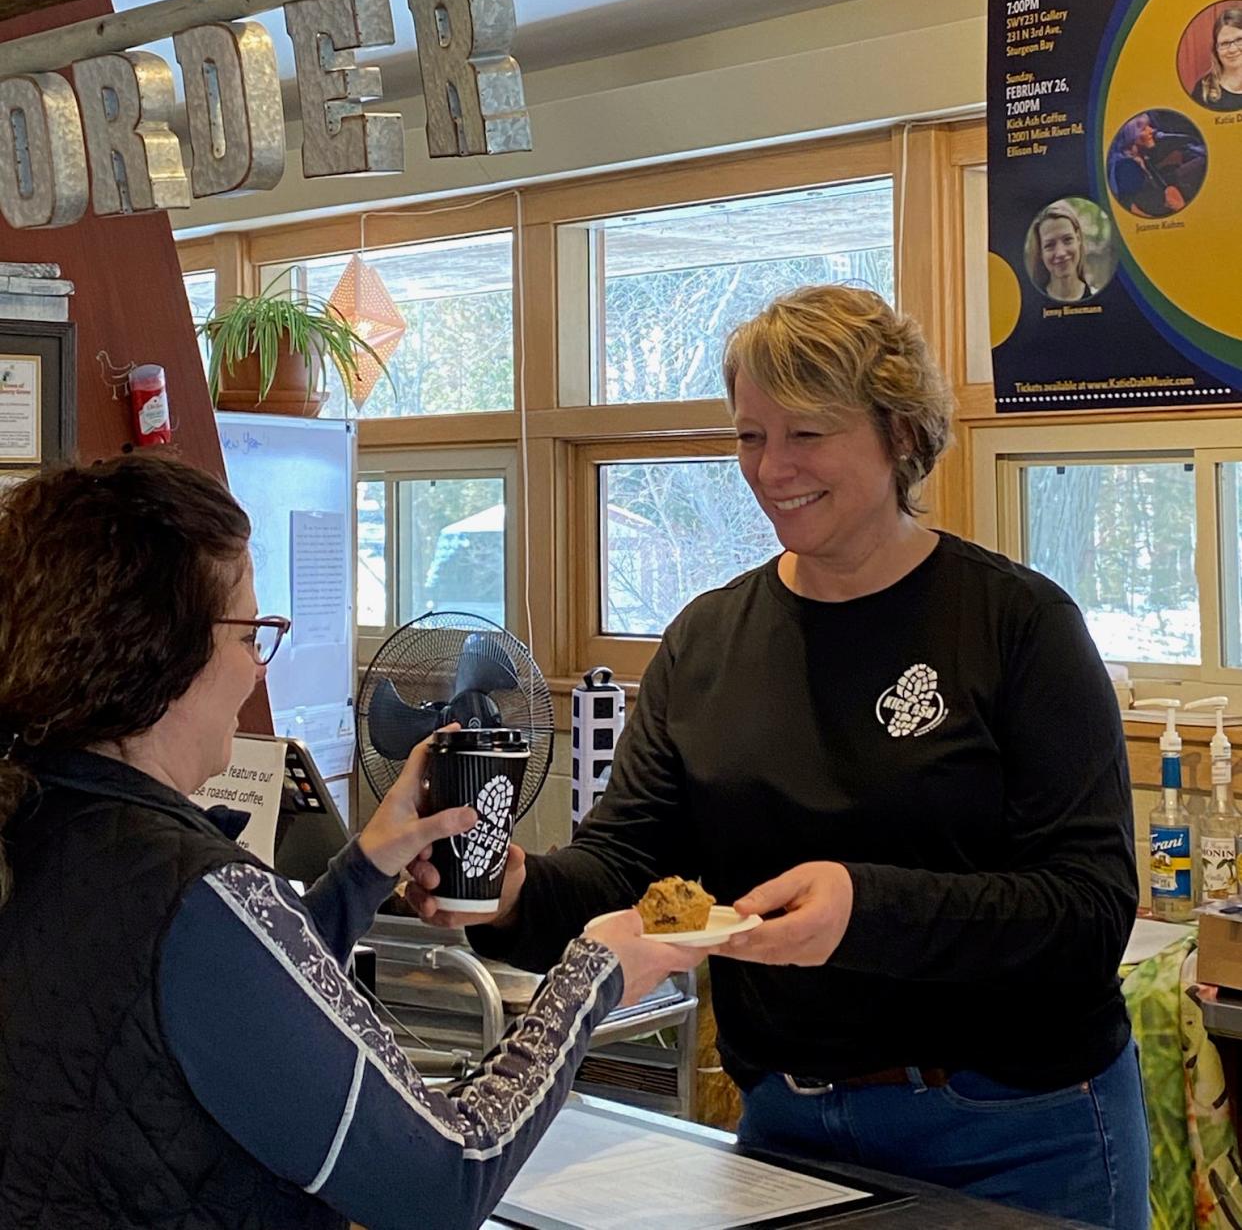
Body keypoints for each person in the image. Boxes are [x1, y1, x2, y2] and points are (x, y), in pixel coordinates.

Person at [412, 285, 1148, 1229]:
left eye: (807, 433)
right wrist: (513, 892)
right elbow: (628, 867)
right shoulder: (709, 641)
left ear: (900, 434)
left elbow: (1087, 911)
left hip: (1016, 1132)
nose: (770, 468)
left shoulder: (1017, 627)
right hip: (788, 1123)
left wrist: (864, 910)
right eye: (751, 436)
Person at [0, 455, 697, 1230]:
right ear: (165, 651)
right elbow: (444, 1181)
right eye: (251, 635)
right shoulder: (195, 896)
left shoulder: (38, 817)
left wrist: (366, 869)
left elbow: (223, 1006)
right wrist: (591, 979)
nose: (254, 673)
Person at [1107, 113, 1205, 219]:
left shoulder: (1143, 159)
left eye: (1149, 126)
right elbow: (1129, 204)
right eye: (1144, 129)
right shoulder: (1127, 167)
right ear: (1132, 136)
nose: (1152, 131)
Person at [1030, 199, 1096, 302]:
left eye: (1067, 240)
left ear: (1078, 238)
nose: (1061, 253)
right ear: (1040, 252)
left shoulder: (1099, 298)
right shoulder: (1032, 304)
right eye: (1049, 245)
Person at [1193, 7, 1242, 110]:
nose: (1232, 49)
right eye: (1225, 43)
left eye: (1239, 40)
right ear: (1216, 50)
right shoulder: (1203, 90)